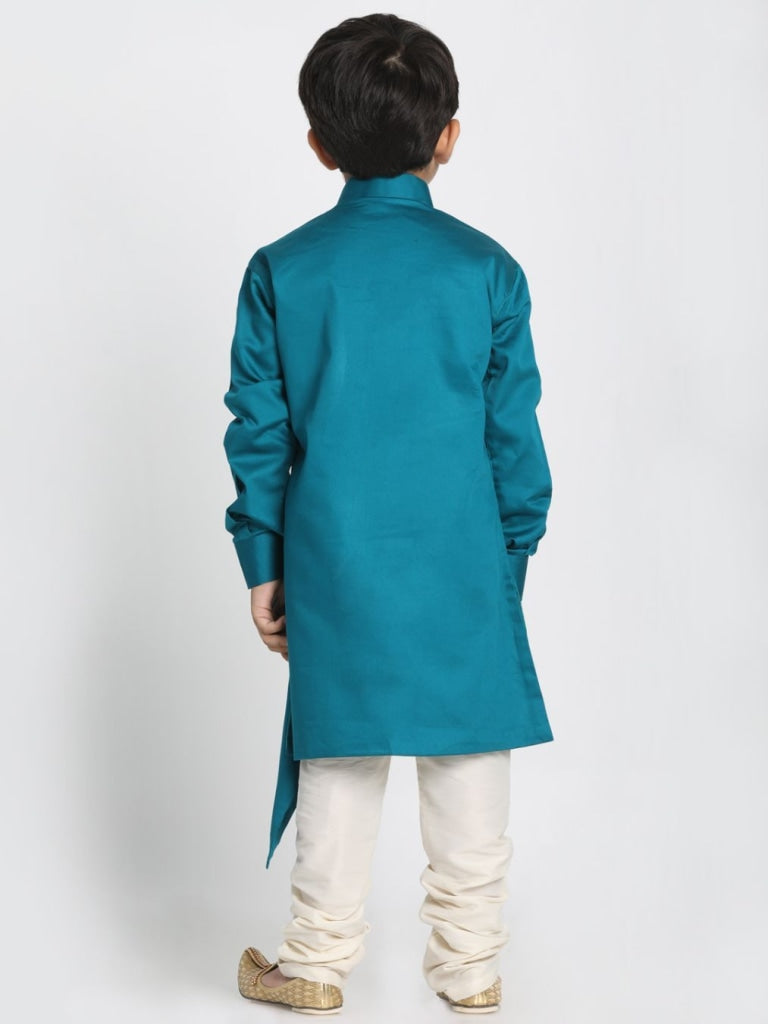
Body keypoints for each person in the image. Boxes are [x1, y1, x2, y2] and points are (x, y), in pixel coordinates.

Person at [223, 12, 554, 1016]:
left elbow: (259, 434)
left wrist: (264, 565)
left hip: (335, 559)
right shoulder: (487, 269)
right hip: (463, 558)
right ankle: (472, 970)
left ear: (319, 144)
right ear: (448, 135)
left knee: (338, 754)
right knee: (469, 754)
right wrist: (508, 561)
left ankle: (316, 965)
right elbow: (512, 441)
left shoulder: (282, 269)